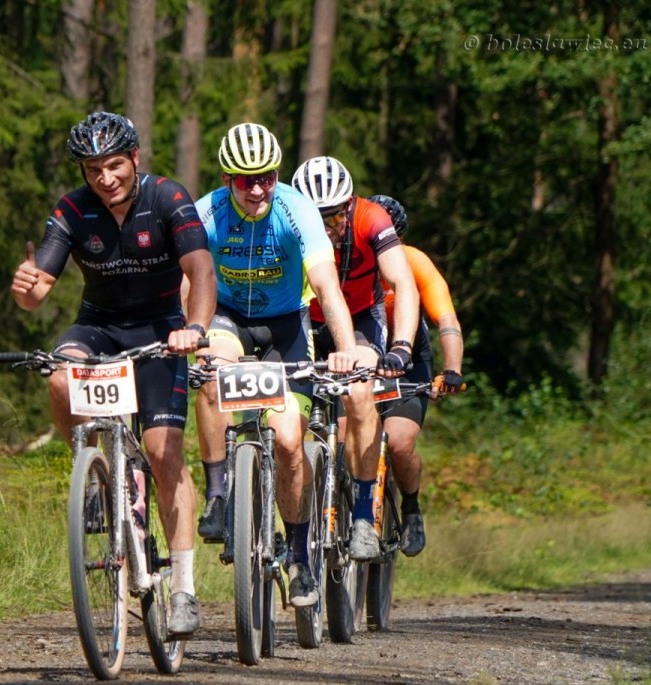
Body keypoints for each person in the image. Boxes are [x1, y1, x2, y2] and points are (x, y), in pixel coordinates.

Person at [10, 111, 216, 637]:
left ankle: (185, 588)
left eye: (115, 166)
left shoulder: (168, 198)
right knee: (59, 376)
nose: (105, 179)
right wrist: (26, 290)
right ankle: (96, 473)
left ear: (135, 160)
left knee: (166, 454)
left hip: (162, 329)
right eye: (93, 169)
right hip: (99, 327)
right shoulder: (74, 209)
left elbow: (201, 271)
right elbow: (39, 292)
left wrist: (194, 327)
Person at [193, 122, 361, 609]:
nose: (258, 188)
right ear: (228, 180)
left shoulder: (297, 210)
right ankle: (219, 494)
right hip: (227, 317)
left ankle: (299, 557)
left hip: (285, 326)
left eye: (266, 176)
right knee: (210, 370)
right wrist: (186, 331)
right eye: (246, 180)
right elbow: (187, 280)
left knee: (290, 440)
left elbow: (327, 289)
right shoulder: (207, 213)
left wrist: (346, 347)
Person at [288, 156, 421, 560]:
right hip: (302, 319)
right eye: (318, 217)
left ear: (349, 205)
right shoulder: (286, 219)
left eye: (334, 216)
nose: (328, 227)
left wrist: (401, 346)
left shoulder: (372, 218)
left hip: (362, 318)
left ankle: (364, 515)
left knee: (360, 392)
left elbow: (404, 284)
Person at [366, 194, 465, 557]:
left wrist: (451, 369)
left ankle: (410, 507)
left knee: (398, 443)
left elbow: (447, 321)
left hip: (408, 362)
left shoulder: (414, 263)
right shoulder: (342, 263)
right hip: (359, 356)